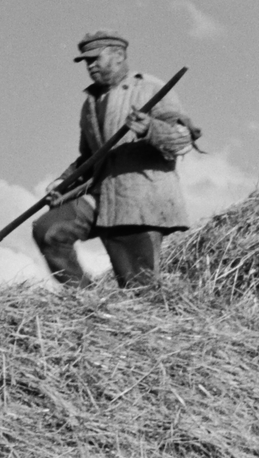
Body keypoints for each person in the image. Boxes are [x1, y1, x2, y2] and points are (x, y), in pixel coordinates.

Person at [32, 30, 201, 288]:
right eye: (86, 62)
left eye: (94, 59)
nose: (89, 66)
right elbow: (89, 158)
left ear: (119, 55)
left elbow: (183, 139)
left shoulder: (150, 88)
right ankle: (87, 302)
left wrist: (149, 129)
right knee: (49, 231)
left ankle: (133, 320)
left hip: (138, 202)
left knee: (139, 290)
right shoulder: (91, 102)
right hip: (100, 196)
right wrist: (62, 184)